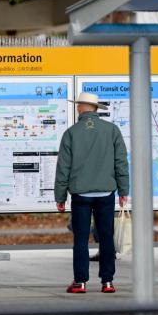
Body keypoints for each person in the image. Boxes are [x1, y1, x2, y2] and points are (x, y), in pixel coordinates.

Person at [55, 92, 129, 294]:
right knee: (106, 238)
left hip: (80, 194)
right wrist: (123, 191)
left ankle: (80, 282)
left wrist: (60, 197)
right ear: (96, 109)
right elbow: (121, 163)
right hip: (106, 193)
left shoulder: (71, 133)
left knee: (80, 239)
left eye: (78, 105)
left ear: (80, 107)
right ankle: (107, 282)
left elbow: (63, 168)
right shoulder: (112, 130)